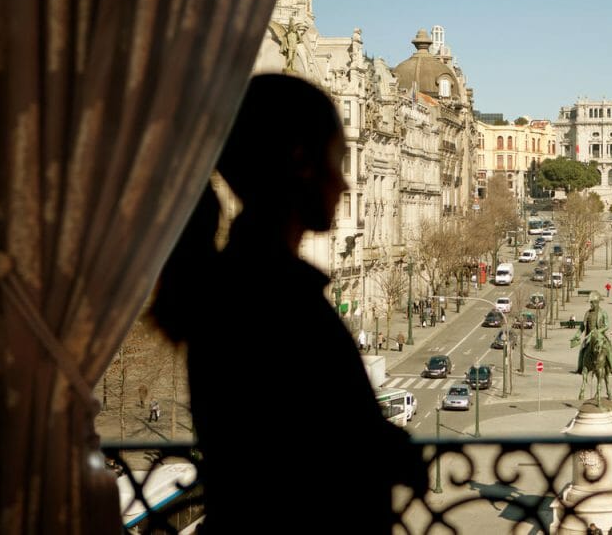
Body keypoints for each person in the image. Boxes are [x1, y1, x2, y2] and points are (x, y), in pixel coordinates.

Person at [151, 74, 425, 533]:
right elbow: (327, 446)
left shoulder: (238, 286)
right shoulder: (277, 304)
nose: (343, 182)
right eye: (337, 160)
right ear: (300, 161)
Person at [571, 293, 612, 375]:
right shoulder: (587, 313)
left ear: (597, 302)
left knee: (608, 348)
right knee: (582, 350)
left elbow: (606, 325)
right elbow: (582, 327)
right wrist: (576, 335)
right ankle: (580, 368)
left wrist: (598, 331)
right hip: (589, 337)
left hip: (600, 336)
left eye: (593, 302)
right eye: (590, 302)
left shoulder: (603, 313)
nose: (591, 304)